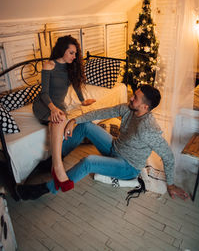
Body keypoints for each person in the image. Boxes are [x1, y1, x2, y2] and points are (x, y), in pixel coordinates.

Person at [17, 85, 189, 201]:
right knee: (85, 125)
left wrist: (171, 184)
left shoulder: (149, 130)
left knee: (88, 161)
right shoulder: (128, 109)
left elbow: (167, 156)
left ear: (145, 107)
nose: (130, 98)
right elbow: (100, 112)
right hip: (114, 147)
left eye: (135, 98)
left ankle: (46, 189)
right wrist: (75, 120)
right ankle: (55, 161)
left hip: (127, 166)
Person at [32, 35, 95, 192]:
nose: (74, 57)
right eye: (71, 53)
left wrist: (82, 101)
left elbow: (76, 86)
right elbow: (44, 93)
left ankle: (55, 166)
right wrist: (53, 109)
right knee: (59, 119)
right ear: (62, 51)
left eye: (75, 54)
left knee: (58, 120)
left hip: (58, 106)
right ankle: (58, 167)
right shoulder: (49, 65)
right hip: (44, 104)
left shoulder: (70, 66)